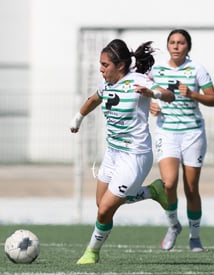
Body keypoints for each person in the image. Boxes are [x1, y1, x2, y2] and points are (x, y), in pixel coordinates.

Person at [70, 38, 174, 264]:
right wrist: (78, 119)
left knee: (105, 211)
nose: (101, 69)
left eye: (105, 65)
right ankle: (153, 192)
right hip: (113, 154)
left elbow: (169, 95)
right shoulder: (106, 84)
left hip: (135, 156)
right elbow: (93, 100)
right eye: (100, 64)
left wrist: (152, 93)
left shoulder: (138, 81)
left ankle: (92, 252)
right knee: (102, 204)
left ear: (120, 66)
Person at [149, 29, 214, 252]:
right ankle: (173, 225)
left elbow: (213, 100)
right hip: (167, 133)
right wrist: (151, 104)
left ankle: (195, 237)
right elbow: (142, 91)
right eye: (172, 42)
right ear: (168, 45)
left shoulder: (197, 69)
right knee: (169, 183)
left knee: (191, 188)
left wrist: (192, 94)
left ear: (188, 47)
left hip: (192, 134)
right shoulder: (156, 69)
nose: (176, 46)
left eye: (181, 43)